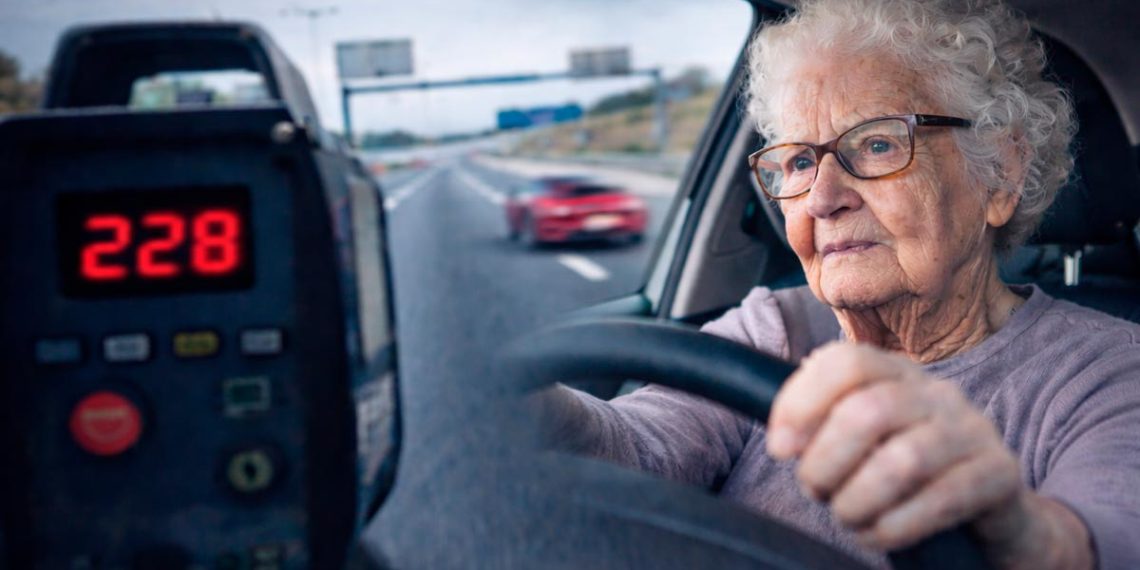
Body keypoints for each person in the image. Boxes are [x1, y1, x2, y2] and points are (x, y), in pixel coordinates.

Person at [539, 0, 1140, 568]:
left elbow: (1105, 540)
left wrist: (1014, 529)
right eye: (800, 161)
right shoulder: (773, 328)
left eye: (877, 144)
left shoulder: (1109, 371)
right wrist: (527, 408)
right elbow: (636, 448)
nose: (822, 198)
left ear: (1002, 172)